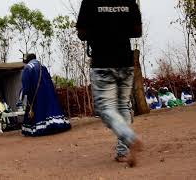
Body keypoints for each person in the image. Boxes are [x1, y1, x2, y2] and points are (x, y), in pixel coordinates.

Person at [76, 0, 143, 167]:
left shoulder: (89, 2)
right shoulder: (129, 1)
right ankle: (123, 152)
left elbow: (82, 33)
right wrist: (118, 26)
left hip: (103, 62)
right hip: (125, 61)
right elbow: (137, 31)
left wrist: (100, 28)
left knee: (104, 108)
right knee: (122, 106)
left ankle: (130, 139)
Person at [21, 54, 71, 136]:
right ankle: (56, 124)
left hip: (37, 95)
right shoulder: (42, 66)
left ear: (27, 60)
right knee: (50, 108)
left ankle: (41, 128)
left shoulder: (28, 68)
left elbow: (26, 85)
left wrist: (23, 95)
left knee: (39, 111)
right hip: (49, 93)